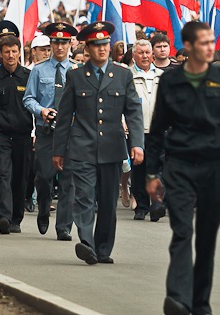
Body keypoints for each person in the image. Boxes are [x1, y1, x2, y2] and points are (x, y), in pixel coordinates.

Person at [146, 21, 220, 315]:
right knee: (183, 231)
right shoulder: (171, 81)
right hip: (180, 165)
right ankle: (176, 298)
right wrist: (152, 173)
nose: (210, 47)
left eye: (212, 42)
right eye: (203, 43)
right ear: (188, 47)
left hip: (213, 167)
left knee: (207, 238)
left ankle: (200, 304)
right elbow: (158, 128)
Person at [53, 21, 144, 265]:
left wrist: (137, 143)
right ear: (88, 48)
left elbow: (133, 111)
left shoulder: (123, 75)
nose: (102, 49)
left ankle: (103, 249)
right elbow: (64, 117)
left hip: (112, 148)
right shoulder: (76, 76)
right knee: (83, 197)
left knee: (107, 201)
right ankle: (87, 243)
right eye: (96, 45)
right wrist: (59, 150)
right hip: (82, 146)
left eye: (105, 44)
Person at [24, 22, 79, 237]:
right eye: (55, 42)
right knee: (45, 177)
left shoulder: (77, 70)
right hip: (46, 132)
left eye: (64, 42)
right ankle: (44, 209)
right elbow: (28, 98)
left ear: (69, 44)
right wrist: (41, 111)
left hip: (70, 132)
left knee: (68, 180)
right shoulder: (39, 70)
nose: (59, 47)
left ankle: (64, 226)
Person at [0, 34, 32, 234]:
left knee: (20, 177)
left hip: (23, 134)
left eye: (14, 51)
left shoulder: (28, 76)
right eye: (6, 52)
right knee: (3, 174)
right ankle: (3, 216)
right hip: (1, 134)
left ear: (19, 52)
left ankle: (16, 219)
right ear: (0, 54)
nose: (10, 56)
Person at [129, 38, 164, 221]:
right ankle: (141, 207)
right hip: (137, 130)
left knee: (157, 167)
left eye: (147, 52)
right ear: (134, 55)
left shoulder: (162, 75)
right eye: (140, 52)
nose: (144, 55)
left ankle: (157, 204)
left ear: (152, 55)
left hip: (158, 131)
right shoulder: (127, 76)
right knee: (139, 170)